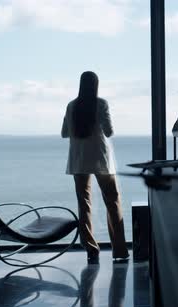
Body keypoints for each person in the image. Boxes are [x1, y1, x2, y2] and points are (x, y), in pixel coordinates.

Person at [62, 71, 129, 264]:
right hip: (100, 159)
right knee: (113, 201)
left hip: (79, 160)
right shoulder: (101, 104)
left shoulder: (71, 105)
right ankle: (120, 250)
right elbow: (109, 131)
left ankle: (91, 249)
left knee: (84, 204)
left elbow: (65, 133)